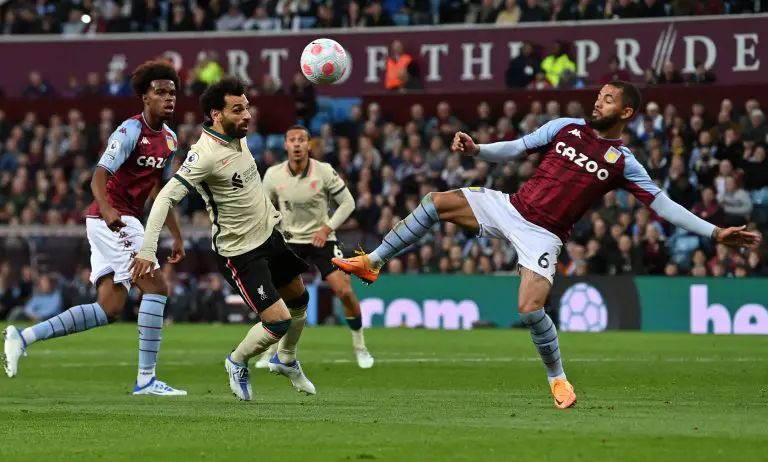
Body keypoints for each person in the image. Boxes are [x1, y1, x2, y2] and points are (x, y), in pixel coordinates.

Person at [332, 81, 762, 409]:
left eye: (609, 99)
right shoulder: (565, 127)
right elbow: (517, 149)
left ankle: (557, 378)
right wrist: (478, 149)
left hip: (544, 234)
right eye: (599, 95)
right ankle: (373, 261)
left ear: (626, 111)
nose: (598, 101)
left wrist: (714, 232)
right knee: (435, 202)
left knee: (529, 309)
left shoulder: (623, 162)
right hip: (511, 207)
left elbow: (663, 205)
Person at [3, 60, 187, 396]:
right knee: (156, 288)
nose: (168, 98)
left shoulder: (171, 140)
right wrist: (106, 207)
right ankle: (146, 379)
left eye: (172, 93)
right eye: (160, 92)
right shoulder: (130, 131)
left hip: (119, 219)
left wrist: (175, 234)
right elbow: (99, 174)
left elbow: (162, 192)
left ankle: (23, 336)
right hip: (113, 217)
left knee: (109, 308)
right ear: (145, 97)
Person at [129, 78, 315, 401]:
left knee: (300, 300)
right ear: (217, 115)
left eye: (247, 107)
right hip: (240, 252)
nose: (247, 116)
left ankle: (285, 360)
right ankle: (237, 360)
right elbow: (163, 199)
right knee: (279, 321)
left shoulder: (237, 137)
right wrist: (148, 250)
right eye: (238, 109)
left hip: (269, 237)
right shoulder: (204, 156)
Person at [260, 126, 374, 369]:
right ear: (286, 145)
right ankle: (269, 350)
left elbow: (347, 203)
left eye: (302, 140)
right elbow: (264, 209)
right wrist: (274, 230)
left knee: (344, 291)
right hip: (290, 241)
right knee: (275, 297)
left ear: (309, 145)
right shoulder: (272, 175)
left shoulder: (323, 171)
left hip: (322, 241)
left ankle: (360, 345)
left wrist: (326, 228)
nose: (298, 144)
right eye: (292, 140)